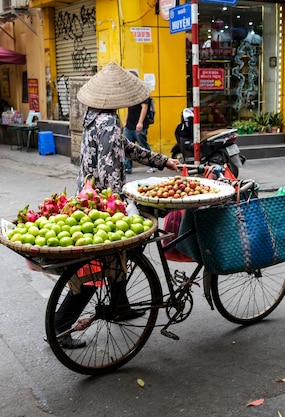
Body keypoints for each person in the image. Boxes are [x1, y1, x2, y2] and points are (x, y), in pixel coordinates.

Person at [55, 62, 179, 349]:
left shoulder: (94, 116)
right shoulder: (108, 122)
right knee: (97, 268)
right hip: (100, 205)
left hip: (86, 196)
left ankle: (120, 304)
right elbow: (110, 171)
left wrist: (163, 162)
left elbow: (126, 147)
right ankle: (61, 327)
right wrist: (120, 207)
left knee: (122, 256)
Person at [123, 71, 152, 174]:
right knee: (127, 146)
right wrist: (125, 121)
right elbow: (128, 108)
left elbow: (144, 107)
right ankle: (127, 167)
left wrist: (140, 123)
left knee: (143, 145)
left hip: (139, 124)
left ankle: (152, 164)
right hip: (129, 124)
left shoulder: (142, 92)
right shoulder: (129, 92)